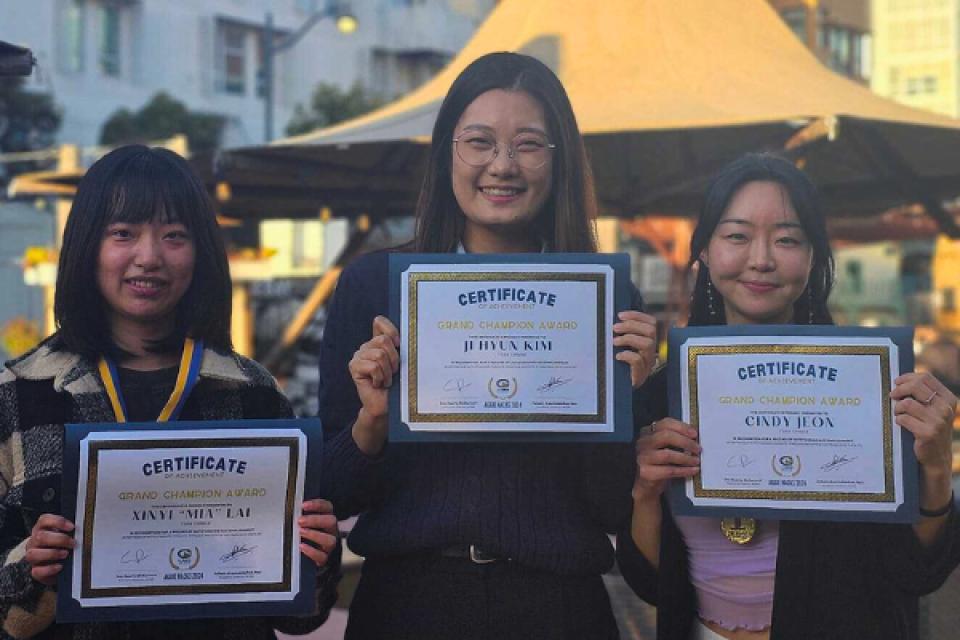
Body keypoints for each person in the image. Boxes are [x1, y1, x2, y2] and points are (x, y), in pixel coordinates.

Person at [318, 52, 658, 639]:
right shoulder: (374, 286)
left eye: (528, 144)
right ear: (447, 152)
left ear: (559, 162)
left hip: (559, 609)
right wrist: (371, 423)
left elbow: (610, 508)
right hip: (405, 607)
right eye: (479, 141)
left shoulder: (605, 297)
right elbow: (333, 493)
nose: (502, 166)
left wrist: (632, 401)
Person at [0, 145, 339, 639]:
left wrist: (317, 555)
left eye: (174, 235)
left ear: (201, 252)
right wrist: (31, 566)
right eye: (123, 233)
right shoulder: (18, 394)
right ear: (85, 246)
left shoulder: (255, 395)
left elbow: (298, 616)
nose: (149, 257)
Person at [618, 153, 960, 640]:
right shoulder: (661, 398)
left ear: (815, 257)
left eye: (787, 239)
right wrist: (645, 494)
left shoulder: (872, 389)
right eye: (736, 236)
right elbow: (652, 584)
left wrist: (934, 466)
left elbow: (919, 571)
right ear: (706, 254)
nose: (761, 258)